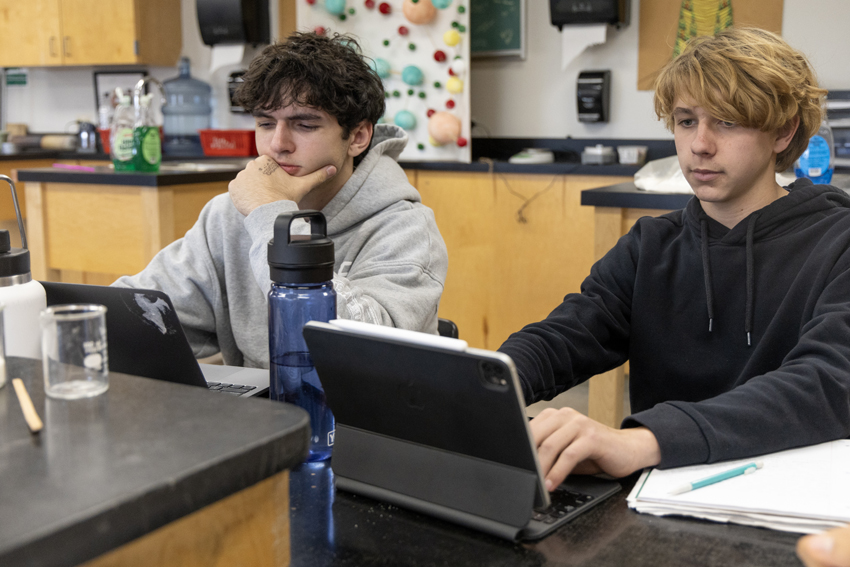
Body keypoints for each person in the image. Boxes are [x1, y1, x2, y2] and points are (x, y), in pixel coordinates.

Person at [498, 27, 850, 491]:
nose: (700, 144)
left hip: (787, 495)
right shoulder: (650, 245)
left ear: (782, 132)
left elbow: (827, 383)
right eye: (686, 121)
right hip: (661, 494)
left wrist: (644, 441)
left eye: (726, 121)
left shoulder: (838, 240)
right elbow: (568, 333)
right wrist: (488, 383)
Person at [115, 32, 448, 367]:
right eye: (265, 123)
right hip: (263, 416)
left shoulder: (405, 229)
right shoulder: (229, 215)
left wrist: (269, 216)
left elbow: (351, 358)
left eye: (304, 125)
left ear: (358, 137)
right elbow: (141, 312)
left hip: (361, 417)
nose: (278, 144)